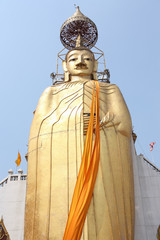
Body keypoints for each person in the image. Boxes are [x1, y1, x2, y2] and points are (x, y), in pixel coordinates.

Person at [24, 45, 134, 240]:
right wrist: (77, 121)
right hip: (59, 167)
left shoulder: (110, 90)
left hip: (102, 161)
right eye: (74, 59)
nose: (81, 62)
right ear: (65, 66)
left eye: (87, 59)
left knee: (103, 214)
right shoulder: (51, 93)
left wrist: (104, 123)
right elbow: (38, 131)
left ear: (95, 65)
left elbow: (124, 126)